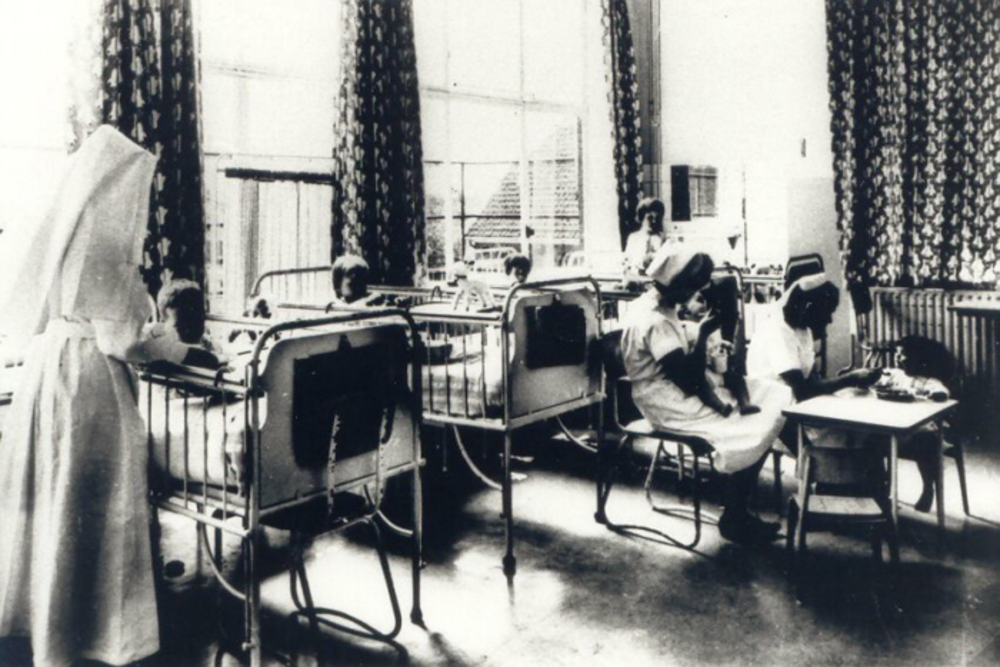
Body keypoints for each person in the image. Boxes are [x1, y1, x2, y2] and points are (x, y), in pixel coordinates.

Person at [0, 126, 188, 666]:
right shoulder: (106, 242)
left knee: (54, 500)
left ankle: (44, 624)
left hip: (48, 369)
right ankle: (88, 630)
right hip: (89, 381)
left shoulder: (67, 233)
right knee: (93, 503)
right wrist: (174, 348)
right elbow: (122, 341)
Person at [620, 244, 793, 544]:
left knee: (774, 394)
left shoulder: (660, 307)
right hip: (665, 399)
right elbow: (687, 381)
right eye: (693, 287)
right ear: (677, 282)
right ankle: (735, 516)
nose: (695, 294)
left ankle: (742, 506)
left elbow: (683, 365)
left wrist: (707, 346)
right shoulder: (653, 319)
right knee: (754, 424)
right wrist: (701, 335)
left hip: (677, 386)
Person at [873, 335, 954, 512]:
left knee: (927, 443)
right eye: (897, 354)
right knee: (872, 440)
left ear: (920, 358)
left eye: (903, 354)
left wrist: (936, 395)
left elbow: (942, 391)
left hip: (920, 429)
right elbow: (877, 382)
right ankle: (883, 492)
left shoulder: (928, 381)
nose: (898, 357)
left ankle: (928, 487)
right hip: (893, 426)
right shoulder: (894, 375)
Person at [145, 278, 222, 369]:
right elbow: (208, 359)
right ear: (163, 322)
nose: (190, 330)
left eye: (198, 321)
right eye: (181, 326)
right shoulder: (161, 342)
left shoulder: (207, 343)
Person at [623, 197, 666, 274]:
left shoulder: (661, 239)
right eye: (650, 218)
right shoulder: (633, 238)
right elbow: (627, 262)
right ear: (642, 217)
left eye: (657, 218)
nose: (654, 221)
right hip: (636, 277)